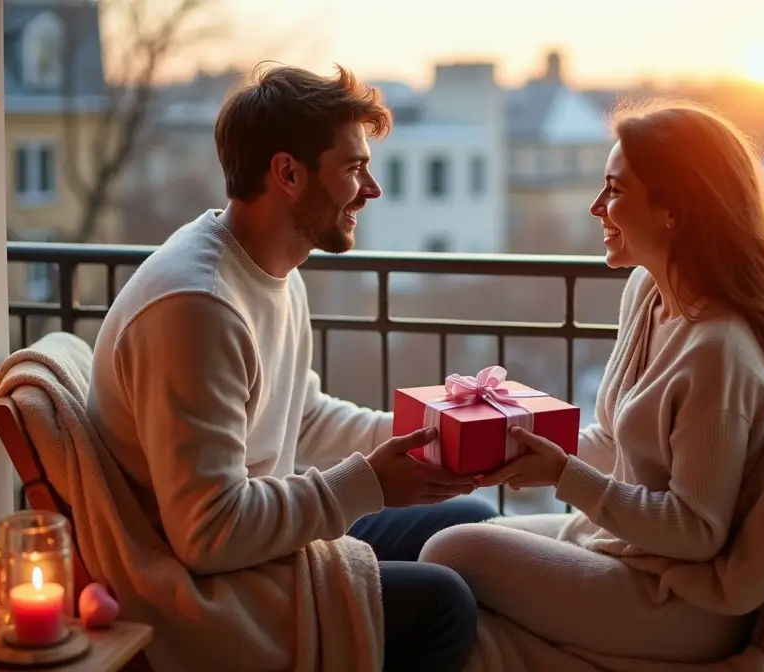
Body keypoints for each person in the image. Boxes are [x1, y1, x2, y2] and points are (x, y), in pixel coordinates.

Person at [86, 63, 496, 672]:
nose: (371, 189)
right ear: (287, 173)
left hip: (259, 542)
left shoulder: (273, 268)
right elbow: (207, 535)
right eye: (354, 168)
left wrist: (425, 438)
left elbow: (299, 415)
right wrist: (371, 483)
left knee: (474, 529)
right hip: (209, 584)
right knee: (446, 605)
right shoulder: (198, 307)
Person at [419, 100, 764, 664]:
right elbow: (612, 443)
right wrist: (515, 443)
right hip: (621, 550)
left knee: (451, 551)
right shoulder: (649, 293)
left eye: (614, 190)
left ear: (673, 211)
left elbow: (696, 531)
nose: (595, 206)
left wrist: (561, 476)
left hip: (678, 600)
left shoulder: (718, 353)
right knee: (439, 542)